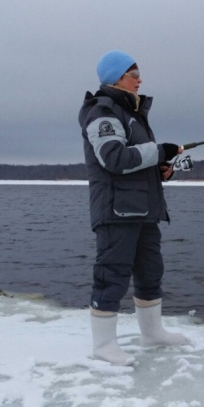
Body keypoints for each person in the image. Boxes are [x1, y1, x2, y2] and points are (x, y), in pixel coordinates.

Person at [78, 50, 189, 366]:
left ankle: (152, 334)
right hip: (116, 213)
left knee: (151, 272)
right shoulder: (102, 113)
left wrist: (160, 169)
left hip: (143, 211)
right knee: (111, 276)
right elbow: (114, 159)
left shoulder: (132, 114)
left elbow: (137, 161)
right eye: (133, 73)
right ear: (116, 78)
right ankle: (103, 346)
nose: (140, 79)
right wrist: (159, 150)